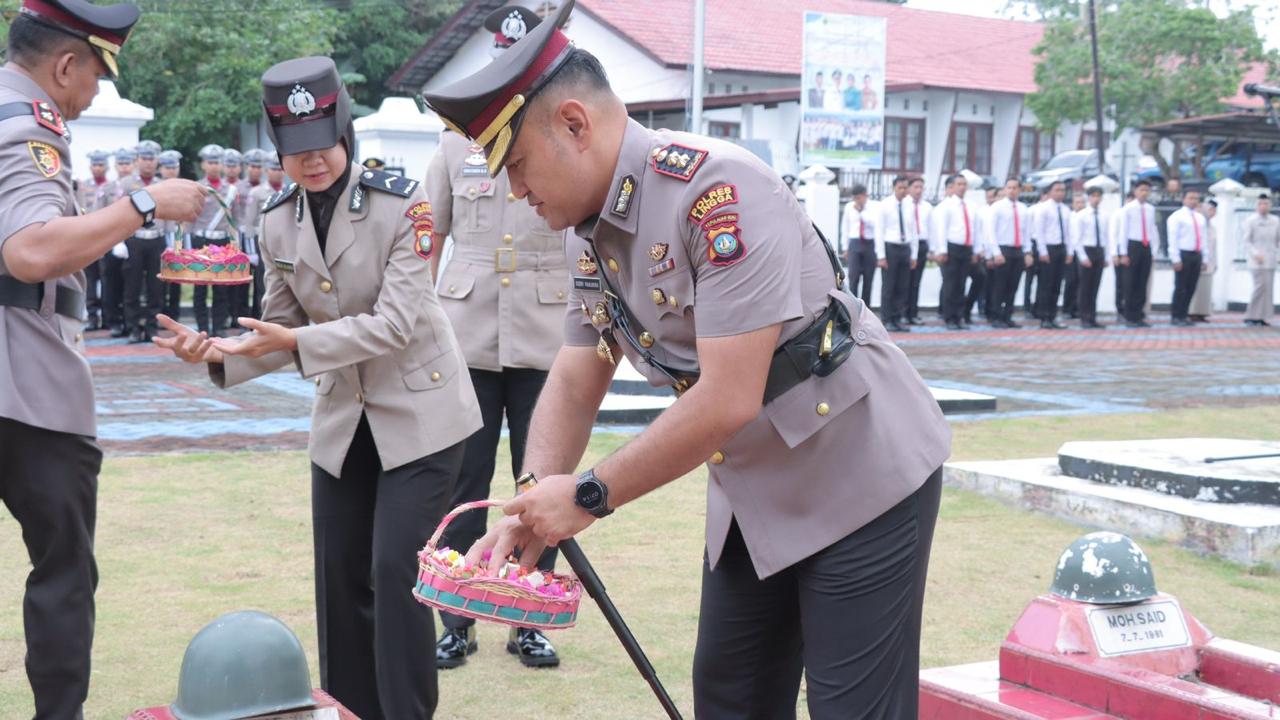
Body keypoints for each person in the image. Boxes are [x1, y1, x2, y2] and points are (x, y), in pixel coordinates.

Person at [424, 4, 951, 717]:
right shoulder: (587, 235)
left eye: (517, 165)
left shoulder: (718, 193)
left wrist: (585, 496)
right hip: (753, 487)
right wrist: (531, 494)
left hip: (859, 471)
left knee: (852, 707)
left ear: (575, 125)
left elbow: (729, 398)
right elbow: (579, 376)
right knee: (730, 699)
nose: (515, 192)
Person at [154, 57, 481, 720]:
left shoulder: (402, 203)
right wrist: (216, 352)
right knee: (338, 582)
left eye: (321, 144)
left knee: (397, 576)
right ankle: (351, 711)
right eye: (295, 151)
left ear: (345, 133)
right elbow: (278, 326)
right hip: (343, 422)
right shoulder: (277, 221)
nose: (311, 162)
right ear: (279, 152)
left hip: (422, 416)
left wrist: (295, 344)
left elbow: (393, 325)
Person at [0, 2, 206, 715]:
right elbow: (28, 250)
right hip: (21, 384)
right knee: (64, 569)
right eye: (95, 75)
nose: (92, 95)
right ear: (64, 65)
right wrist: (144, 203)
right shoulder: (29, 127)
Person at [425, 2, 569, 671]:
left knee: (543, 484)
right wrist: (419, 325)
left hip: (546, 329)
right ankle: (457, 618)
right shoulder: (456, 142)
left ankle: (527, 615)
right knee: (465, 481)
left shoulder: (560, 135)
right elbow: (429, 238)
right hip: (468, 332)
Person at [119, 139, 164, 342]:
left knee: (156, 286)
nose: (148, 163)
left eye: (151, 158)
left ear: (157, 161)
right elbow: (118, 211)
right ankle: (134, 328)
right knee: (132, 286)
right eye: (144, 158)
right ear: (137, 160)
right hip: (135, 239)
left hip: (157, 239)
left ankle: (152, 328)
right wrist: (118, 240)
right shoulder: (127, 183)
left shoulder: (162, 183)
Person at [191, 144, 234, 335]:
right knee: (200, 288)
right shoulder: (197, 188)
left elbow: (237, 219)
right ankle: (202, 328)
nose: (214, 166)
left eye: (217, 162)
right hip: (201, 241)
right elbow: (190, 216)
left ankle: (218, 327)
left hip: (222, 241)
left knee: (221, 288)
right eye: (210, 162)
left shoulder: (231, 190)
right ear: (203, 165)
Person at [931, 173, 979, 330]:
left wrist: (975, 250)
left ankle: (959, 317)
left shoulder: (970, 206)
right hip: (951, 248)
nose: (962, 187)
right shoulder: (946, 206)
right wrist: (942, 250)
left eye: (964, 184)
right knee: (951, 285)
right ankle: (949, 318)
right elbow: (941, 230)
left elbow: (974, 230)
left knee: (961, 284)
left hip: (966, 248)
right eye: (959, 184)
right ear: (952, 186)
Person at [75, 149, 116, 330]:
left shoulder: (113, 187)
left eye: (101, 165)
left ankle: (107, 317)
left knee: (108, 280)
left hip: (106, 239)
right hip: (87, 239)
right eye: (94, 165)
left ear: (106, 167)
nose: (97, 168)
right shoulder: (83, 186)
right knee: (90, 280)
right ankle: (92, 317)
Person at [244, 154, 286, 320]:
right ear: (267, 170)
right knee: (262, 283)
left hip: (284, 242)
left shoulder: (291, 189)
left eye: (280, 169)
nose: (277, 172)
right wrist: (250, 251)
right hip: (262, 242)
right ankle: (261, 317)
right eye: (273, 169)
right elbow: (248, 223)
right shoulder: (257, 192)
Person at [984, 178, 1029, 329]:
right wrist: (996, 253)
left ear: (1020, 190)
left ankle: (1007, 315)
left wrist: (1027, 252)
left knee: (1013, 286)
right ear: (1004, 189)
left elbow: (1026, 232)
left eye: (1015, 188)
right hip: (1003, 249)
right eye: (1009, 187)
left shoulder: (1023, 208)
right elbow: (991, 232)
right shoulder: (997, 207)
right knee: (999, 286)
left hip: (1018, 250)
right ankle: (996, 316)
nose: (1011, 190)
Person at [102, 145, 136, 336]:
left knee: (131, 286)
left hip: (133, 241)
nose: (124, 167)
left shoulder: (140, 187)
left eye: (127, 163)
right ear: (115, 166)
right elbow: (99, 214)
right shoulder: (108, 188)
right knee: (112, 284)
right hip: (111, 241)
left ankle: (129, 322)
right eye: (121, 163)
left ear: (134, 164)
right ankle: (114, 321)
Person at [1115, 179, 1158, 327]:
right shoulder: (1128, 209)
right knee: (1130, 282)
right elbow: (1123, 231)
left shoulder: (1150, 209)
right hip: (1132, 245)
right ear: (1135, 191)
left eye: (1147, 190)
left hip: (1145, 246)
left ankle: (1139, 314)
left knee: (1142, 281)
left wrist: (1154, 250)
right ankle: (1129, 315)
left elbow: (1152, 230)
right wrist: (1123, 253)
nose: (1144, 193)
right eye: (1141, 190)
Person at [875, 175, 915, 331]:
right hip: (890, 248)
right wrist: (881, 256)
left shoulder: (909, 205)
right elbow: (879, 232)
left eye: (906, 187)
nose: (904, 191)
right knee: (889, 285)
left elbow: (914, 231)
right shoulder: (884, 205)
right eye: (900, 188)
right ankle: (887, 319)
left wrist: (914, 255)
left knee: (903, 286)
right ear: (894, 188)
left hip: (905, 247)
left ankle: (898, 318)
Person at [1031, 181, 1071, 329]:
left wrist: (1069, 251)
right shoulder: (1043, 209)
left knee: (1057, 285)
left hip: (1061, 248)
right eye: (1057, 190)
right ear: (1050, 192)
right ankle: (1044, 316)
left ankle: (1053, 315)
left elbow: (1068, 233)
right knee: (1045, 285)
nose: (1060, 192)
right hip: (1048, 248)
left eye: (1063, 190)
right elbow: (1039, 232)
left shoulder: (1066, 210)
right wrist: (1042, 251)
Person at [1166, 189, 1208, 327]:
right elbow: (1172, 238)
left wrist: (1205, 258)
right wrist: (1175, 258)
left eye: (1196, 198)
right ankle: (1176, 315)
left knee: (1191, 287)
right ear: (1184, 199)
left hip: (1196, 254)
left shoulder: (1200, 218)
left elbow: (1203, 239)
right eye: (1191, 198)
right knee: (1180, 287)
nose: (1194, 201)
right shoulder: (1176, 216)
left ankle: (1184, 314)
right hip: (1183, 254)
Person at [1072, 186, 1108, 329]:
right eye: (1093, 196)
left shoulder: (1104, 215)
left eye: (1098, 196)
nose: (1096, 199)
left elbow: (1106, 236)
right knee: (1085, 287)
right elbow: (1077, 238)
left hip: (1099, 250)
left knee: (1095, 287)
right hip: (1087, 250)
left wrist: (1106, 255)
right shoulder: (1082, 215)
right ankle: (1084, 317)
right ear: (1088, 197)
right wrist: (1082, 257)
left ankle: (1092, 317)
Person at [1243, 194, 1279, 327]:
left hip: (1270, 259)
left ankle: (1263, 316)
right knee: (1259, 287)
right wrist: (1255, 254)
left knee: (1268, 288)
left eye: (1266, 204)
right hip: (1257, 260)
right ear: (1257, 205)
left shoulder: (1275, 220)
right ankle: (1251, 315)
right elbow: (1247, 241)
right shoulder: (1251, 221)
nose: (1263, 206)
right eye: (1261, 204)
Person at [158, 149, 185, 320]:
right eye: (167, 168)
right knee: (160, 280)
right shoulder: (155, 187)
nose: (171, 171)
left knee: (177, 279)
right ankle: (161, 314)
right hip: (159, 236)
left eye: (174, 167)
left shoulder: (185, 187)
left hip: (178, 238)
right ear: (161, 169)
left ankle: (174, 314)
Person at [840, 183, 875, 306]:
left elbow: (874, 225)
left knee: (868, 278)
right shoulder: (849, 207)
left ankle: (867, 308)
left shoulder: (873, 207)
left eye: (860, 197)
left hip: (869, 243)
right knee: (853, 277)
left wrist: (861, 211)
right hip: (854, 243)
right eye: (855, 198)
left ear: (865, 196)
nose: (857, 200)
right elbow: (845, 228)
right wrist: (845, 247)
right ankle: (853, 307)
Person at [905, 177, 932, 325]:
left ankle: (912, 313)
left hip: (922, 245)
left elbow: (931, 229)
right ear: (909, 188)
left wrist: (932, 248)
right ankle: (901, 311)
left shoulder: (927, 207)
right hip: (906, 245)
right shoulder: (904, 205)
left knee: (916, 282)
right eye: (916, 187)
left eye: (921, 187)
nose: (919, 190)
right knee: (903, 282)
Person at [1188, 199, 1217, 323]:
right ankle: (1192, 312)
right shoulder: (1199, 225)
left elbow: (1214, 247)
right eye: (1210, 209)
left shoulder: (1212, 227)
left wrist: (1215, 262)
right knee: (1195, 287)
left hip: (1209, 262)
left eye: (1214, 210)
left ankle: (1202, 312)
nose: (1213, 212)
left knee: (1206, 288)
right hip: (1198, 260)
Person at [1061, 193, 1085, 319]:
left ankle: (1078, 308)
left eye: (1082, 202)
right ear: (1073, 204)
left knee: (1082, 282)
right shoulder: (1069, 217)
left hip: (1084, 252)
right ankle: (1067, 308)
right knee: (1071, 281)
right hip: (1071, 252)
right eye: (1077, 202)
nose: (1080, 205)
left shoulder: (1087, 217)